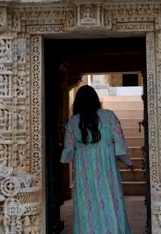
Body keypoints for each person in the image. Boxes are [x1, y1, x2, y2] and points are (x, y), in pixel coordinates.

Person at [60, 85, 133, 234]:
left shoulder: (73, 123)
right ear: (95, 100)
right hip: (107, 172)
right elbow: (119, 144)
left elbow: (68, 152)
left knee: (87, 209)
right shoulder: (109, 116)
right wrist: (128, 161)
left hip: (84, 174)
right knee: (111, 202)